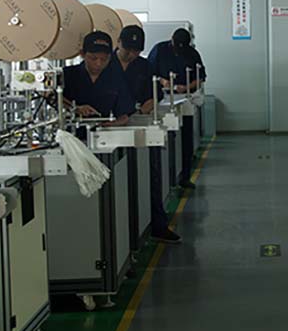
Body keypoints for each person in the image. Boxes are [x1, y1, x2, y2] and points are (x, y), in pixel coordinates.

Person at [116, 25, 180, 244]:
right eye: (128, 50)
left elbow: (156, 94)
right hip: (110, 126)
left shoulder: (144, 66)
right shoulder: (105, 64)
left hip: (139, 122)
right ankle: (123, 235)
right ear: (119, 43)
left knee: (152, 174)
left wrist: (147, 106)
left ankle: (158, 225)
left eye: (136, 51)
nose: (131, 54)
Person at [148, 27, 207, 189]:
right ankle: (165, 180)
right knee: (165, 139)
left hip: (184, 99)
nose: (178, 51)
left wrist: (187, 87)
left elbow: (201, 77)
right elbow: (149, 71)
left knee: (186, 140)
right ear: (171, 39)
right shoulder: (159, 50)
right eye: (176, 47)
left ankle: (185, 176)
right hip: (163, 99)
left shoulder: (192, 54)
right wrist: (163, 81)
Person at [62, 31, 134, 127]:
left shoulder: (116, 78)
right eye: (93, 58)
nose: (98, 63)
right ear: (82, 54)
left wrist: (111, 124)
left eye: (104, 59)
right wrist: (74, 108)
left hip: (103, 132)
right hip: (70, 131)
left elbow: (124, 114)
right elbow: (51, 98)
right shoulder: (68, 75)